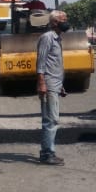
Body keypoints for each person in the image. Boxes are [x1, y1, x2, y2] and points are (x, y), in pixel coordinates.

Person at [37, 10, 70, 165]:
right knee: (51, 121)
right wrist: (42, 83)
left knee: (51, 120)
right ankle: (47, 153)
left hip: (54, 84)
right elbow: (41, 62)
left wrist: (60, 85)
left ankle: (48, 152)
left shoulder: (57, 38)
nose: (66, 22)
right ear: (55, 22)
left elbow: (54, 64)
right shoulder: (47, 37)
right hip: (49, 85)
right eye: (64, 19)